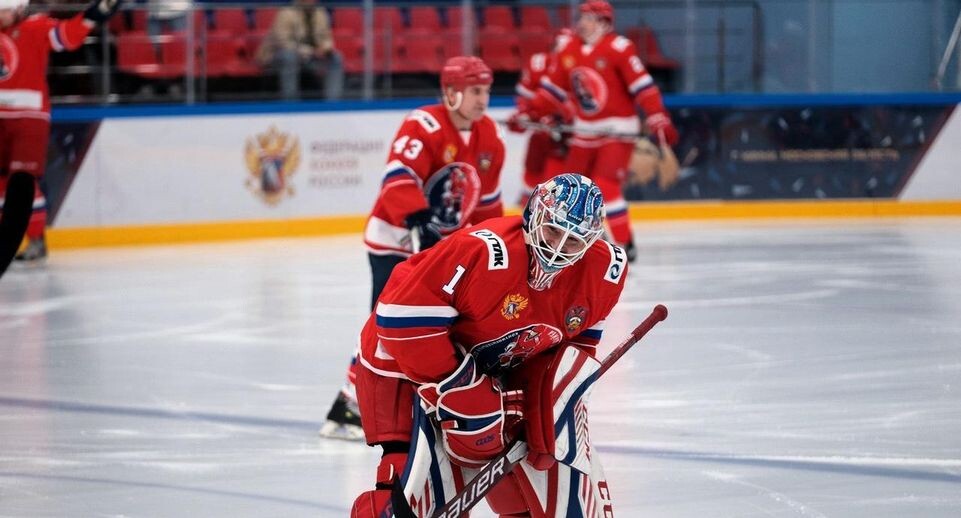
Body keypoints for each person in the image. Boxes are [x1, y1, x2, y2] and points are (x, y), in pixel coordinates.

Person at [349, 173, 628, 517]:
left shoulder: (605, 271)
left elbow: (574, 344)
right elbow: (400, 319)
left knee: (530, 485)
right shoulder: (484, 250)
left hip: (490, 362)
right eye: (553, 231)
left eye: (572, 241)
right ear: (534, 216)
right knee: (410, 491)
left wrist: (547, 404)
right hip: (400, 361)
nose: (557, 249)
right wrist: (461, 390)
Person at [318, 55, 505, 440]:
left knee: (435, 327)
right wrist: (419, 220)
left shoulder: (490, 137)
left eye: (485, 90)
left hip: (439, 250)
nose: (482, 99)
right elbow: (398, 176)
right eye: (474, 91)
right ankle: (352, 403)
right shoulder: (424, 124)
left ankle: (400, 401)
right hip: (395, 241)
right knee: (385, 324)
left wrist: (492, 241)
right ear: (451, 93)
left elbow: (486, 202)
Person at [510, 0, 678, 262]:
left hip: (617, 129)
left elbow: (643, 88)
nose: (581, 22)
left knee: (607, 186)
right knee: (571, 187)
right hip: (584, 130)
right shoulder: (570, 49)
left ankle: (624, 242)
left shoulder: (619, 49)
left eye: (587, 18)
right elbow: (551, 91)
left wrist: (658, 116)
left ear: (603, 23)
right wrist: (528, 113)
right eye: (582, 17)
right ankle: (585, 239)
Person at [0, 0, 121, 263]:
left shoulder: (37, 27)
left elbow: (67, 37)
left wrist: (92, 15)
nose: (1, 16)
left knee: (23, 183)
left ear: (20, 9)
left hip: (29, 117)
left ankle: (36, 240)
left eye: (5, 10)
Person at [508, 29, 574, 207]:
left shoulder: (580, 69)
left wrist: (562, 120)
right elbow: (525, 100)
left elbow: (583, 108)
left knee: (557, 185)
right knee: (532, 175)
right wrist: (524, 115)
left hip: (565, 141)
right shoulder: (539, 63)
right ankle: (525, 212)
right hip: (541, 136)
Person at [255, 0, 344, 101]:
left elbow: (327, 37)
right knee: (289, 56)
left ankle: (333, 102)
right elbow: (284, 42)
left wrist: (325, 48)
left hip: (310, 56)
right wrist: (310, 51)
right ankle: (290, 102)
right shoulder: (287, 13)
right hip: (277, 55)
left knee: (335, 57)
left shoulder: (320, 12)